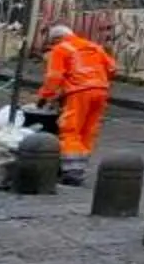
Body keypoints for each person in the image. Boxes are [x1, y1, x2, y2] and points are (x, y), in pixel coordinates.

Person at [37, 24, 118, 163]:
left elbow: (54, 77)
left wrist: (45, 97)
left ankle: (72, 168)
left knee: (70, 129)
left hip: (78, 92)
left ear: (56, 39)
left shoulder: (60, 49)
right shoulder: (94, 47)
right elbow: (112, 68)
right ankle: (82, 161)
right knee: (89, 129)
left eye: (51, 44)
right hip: (101, 91)